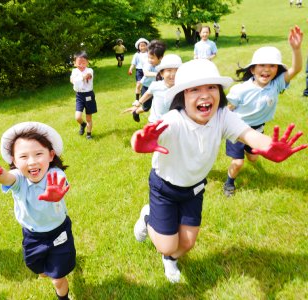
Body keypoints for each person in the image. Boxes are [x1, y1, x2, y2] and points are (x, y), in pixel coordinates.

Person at [131, 59, 307, 283]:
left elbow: (248, 134)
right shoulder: (173, 121)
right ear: (182, 96)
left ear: (220, 93)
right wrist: (138, 142)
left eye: (211, 87)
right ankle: (148, 217)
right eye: (195, 89)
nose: (205, 95)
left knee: (186, 243)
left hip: (194, 188)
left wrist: (268, 146)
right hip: (164, 187)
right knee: (166, 244)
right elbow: (139, 138)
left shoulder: (222, 116)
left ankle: (170, 259)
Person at [0, 122, 75, 300]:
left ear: (51, 155)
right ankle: (46, 269)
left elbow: (61, 182)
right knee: (38, 268)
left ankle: (63, 297)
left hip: (58, 232)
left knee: (57, 277)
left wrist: (56, 194)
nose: (32, 161)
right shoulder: (19, 179)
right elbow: (7, 178)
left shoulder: (55, 175)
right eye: (23, 156)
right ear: (15, 162)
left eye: (38, 154)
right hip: (32, 235)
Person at [223, 25, 303, 196]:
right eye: (262, 65)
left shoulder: (276, 84)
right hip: (237, 129)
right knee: (238, 163)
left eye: (272, 66)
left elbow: (296, 69)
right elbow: (226, 110)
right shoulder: (241, 90)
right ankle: (229, 183)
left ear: (277, 70)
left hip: (258, 129)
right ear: (252, 69)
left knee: (253, 158)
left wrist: (296, 50)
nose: (267, 69)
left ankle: (248, 150)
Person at [126, 54, 182, 123]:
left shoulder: (182, 87)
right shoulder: (156, 85)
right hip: (155, 121)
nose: (173, 74)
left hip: (175, 122)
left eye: (176, 70)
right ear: (161, 73)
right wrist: (138, 103)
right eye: (169, 70)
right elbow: (148, 94)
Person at [132, 40, 167, 122]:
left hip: (158, 87)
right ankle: (136, 112)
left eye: (152, 58)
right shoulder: (148, 64)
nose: (149, 60)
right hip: (147, 87)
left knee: (159, 104)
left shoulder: (163, 64)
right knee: (146, 108)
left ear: (160, 58)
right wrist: (157, 74)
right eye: (148, 57)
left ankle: (157, 120)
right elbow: (146, 73)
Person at [70, 51, 97, 140]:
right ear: (74, 63)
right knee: (78, 117)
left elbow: (88, 76)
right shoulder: (74, 71)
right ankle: (82, 124)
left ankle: (88, 134)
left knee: (89, 117)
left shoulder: (89, 70)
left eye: (83, 63)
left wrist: (83, 77)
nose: (81, 65)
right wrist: (77, 79)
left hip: (89, 95)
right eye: (79, 63)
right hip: (79, 95)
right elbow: (72, 80)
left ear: (87, 62)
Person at [128, 38, 150, 105]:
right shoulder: (137, 55)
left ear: (147, 46)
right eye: (141, 46)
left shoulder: (149, 54)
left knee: (147, 85)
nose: (142, 47)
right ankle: (137, 100)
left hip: (147, 71)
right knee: (138, 85)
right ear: (138, 47)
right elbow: (133, 63)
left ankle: (147, 97)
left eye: (144, 45)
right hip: (139, 71)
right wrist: (130, 69)